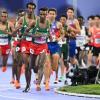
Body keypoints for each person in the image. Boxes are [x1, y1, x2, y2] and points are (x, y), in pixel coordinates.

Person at [16, 2, 36, 92]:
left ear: (34, 9)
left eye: (32, 8)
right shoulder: (21, 19)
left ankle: (37, 75)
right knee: (27, 65)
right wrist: (19, 32)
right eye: (29, 8)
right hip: (25, 43)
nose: (30, 10)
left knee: (35, 66)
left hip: (35, 44)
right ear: (27, 9)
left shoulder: (37, 19)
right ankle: (28, 85)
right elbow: (17, 30)